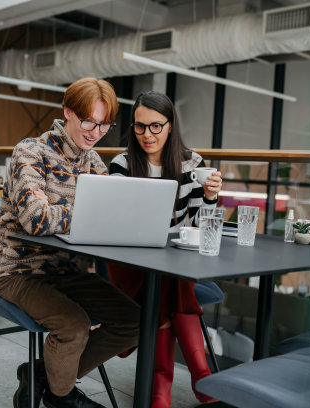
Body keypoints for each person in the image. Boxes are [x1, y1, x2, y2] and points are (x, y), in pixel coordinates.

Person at [0, 77, 141, 408]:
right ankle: (61, 397)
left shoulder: (94, 164)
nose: (95, 132)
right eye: (88, 121)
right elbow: (35, 220)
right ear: (67, 111)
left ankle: (42, 374)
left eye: (104, 125)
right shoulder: (31, 152)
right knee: (74, 325)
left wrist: (58, 208)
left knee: (135, 320)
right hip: (15, 267)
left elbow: (106, 221)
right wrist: (78, 211)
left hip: (65, 267)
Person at [107, 91, 223, 407]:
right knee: (171, 277)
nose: (148, 135)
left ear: (170, 126)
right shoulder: (121, 164)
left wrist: (211, 198)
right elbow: (115, 224)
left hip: (173, 261)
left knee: (170, 277)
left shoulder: (193, 164)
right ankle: (200, 375)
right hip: (130, 261)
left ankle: (160, 391)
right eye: (140, 127)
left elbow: (201, 223)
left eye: (156, 126)